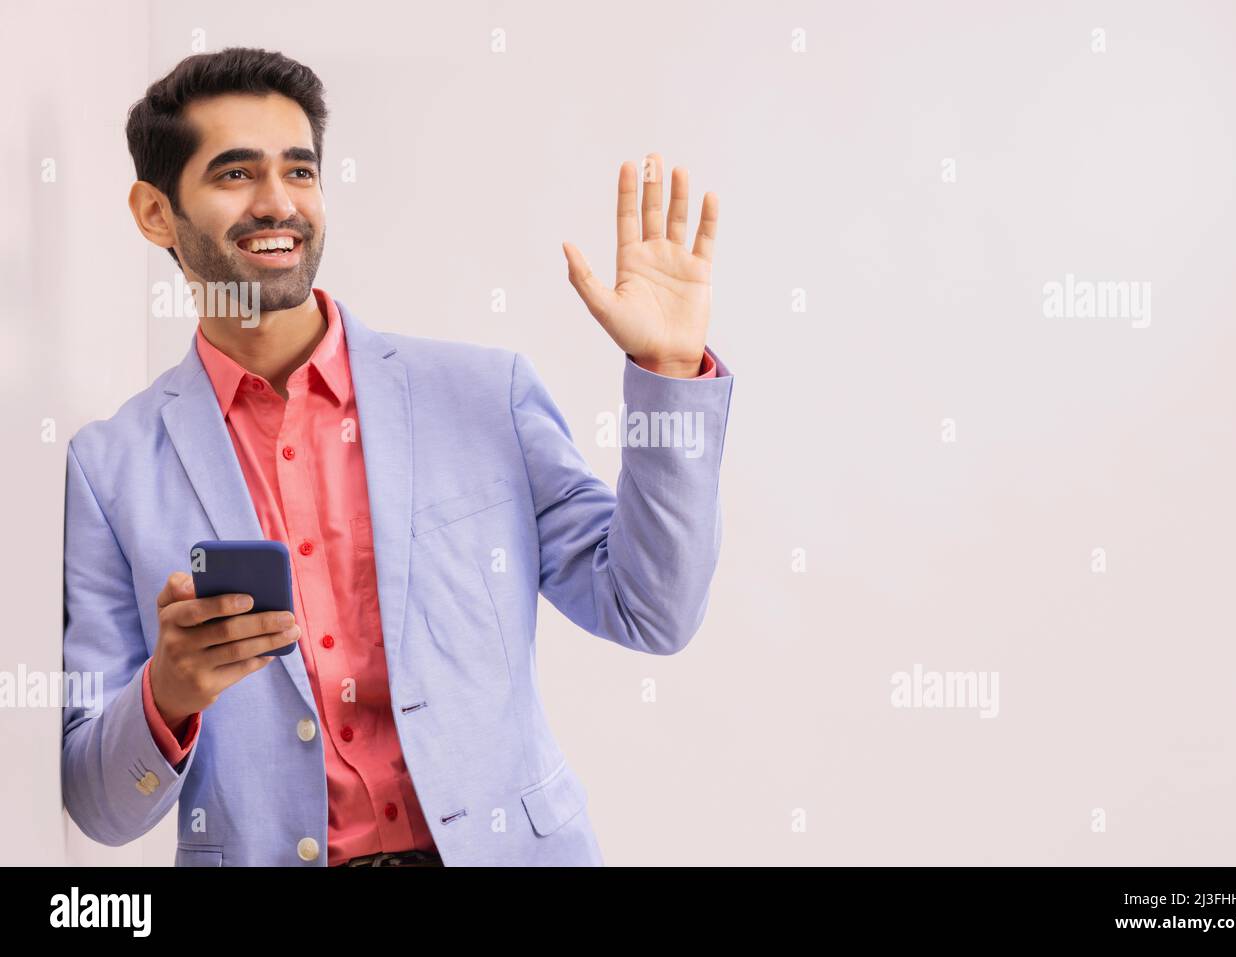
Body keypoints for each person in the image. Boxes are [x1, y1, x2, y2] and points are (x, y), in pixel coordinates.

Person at [61, 47, 734, 866]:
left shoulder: (485, 394)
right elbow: (97, 804)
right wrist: (167, 694)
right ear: (155, 212)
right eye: (235, 173)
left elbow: (651, 611)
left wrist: (666, 376)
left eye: (299, 172)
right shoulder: (108, 470)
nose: (279, 203)